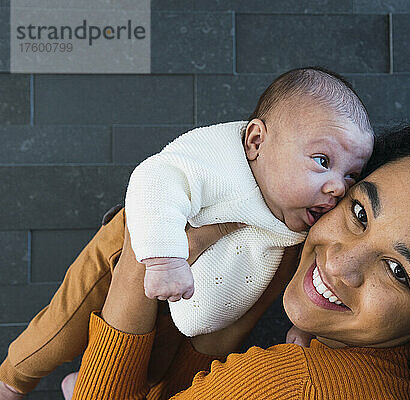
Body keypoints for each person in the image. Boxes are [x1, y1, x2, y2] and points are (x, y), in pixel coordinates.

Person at [68, 114, 410, 399]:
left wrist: (145, 253)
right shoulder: (400, 371)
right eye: (361, 213)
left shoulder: (300, 384)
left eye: (398, 271)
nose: (340, 263)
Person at [0, 67, 374, 398]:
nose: (337, 187)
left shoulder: (310, 214)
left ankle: (83, 384)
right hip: (139, 248)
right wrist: (164, 255)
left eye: (350, 175)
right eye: (322, 161)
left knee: (159, 363)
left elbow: (314, 272)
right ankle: (12, 379)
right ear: (257, 142)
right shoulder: (218, 159)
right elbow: (155, 178)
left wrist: (308, 327)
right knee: (63, 328)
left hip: (202, 295)